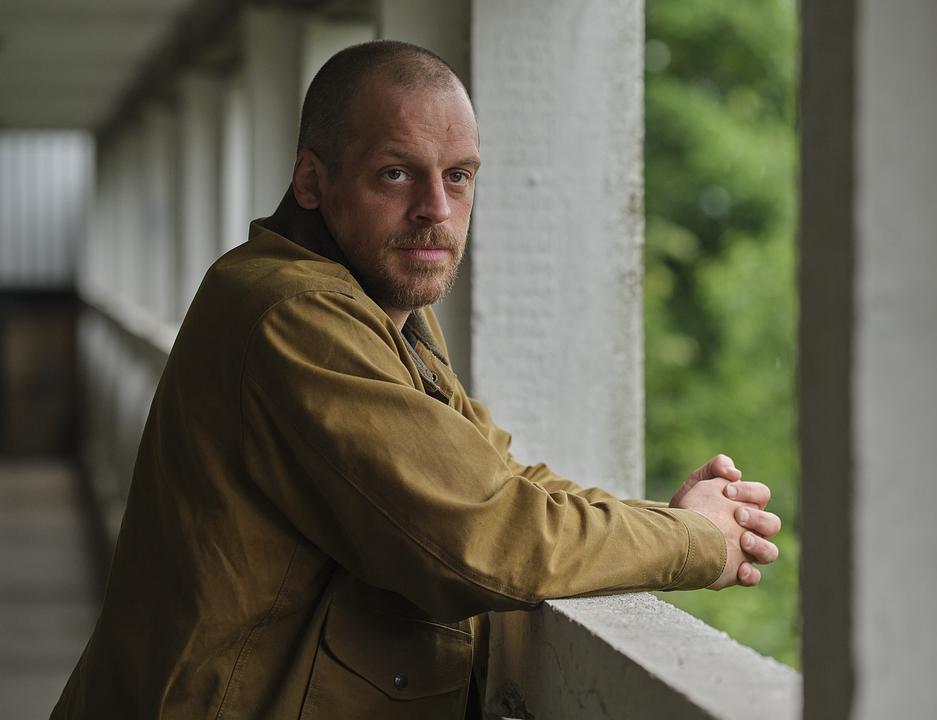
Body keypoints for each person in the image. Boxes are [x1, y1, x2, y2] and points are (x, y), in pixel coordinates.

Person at [53, 40, 780, 719]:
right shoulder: (294, 312)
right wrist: (695, 543)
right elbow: (480, 537)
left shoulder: (377, 304)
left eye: (458, 176)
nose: (435, 209)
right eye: (396, 173)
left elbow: (494, 479)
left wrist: (672, 520)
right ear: (312, 181)